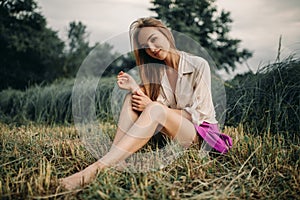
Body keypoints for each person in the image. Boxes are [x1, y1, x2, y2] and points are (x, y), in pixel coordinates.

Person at [59, 17, 232, 190]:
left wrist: (153, 106)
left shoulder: (198, 65)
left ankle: (93, 171)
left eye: (154, 39)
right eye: (145, 45)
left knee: (155, 108)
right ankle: (117, 158)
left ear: (167, 34)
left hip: (201, 136)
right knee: (132, 99)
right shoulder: (157, 72)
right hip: (172, 135)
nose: (152, 48)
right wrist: (134, 88)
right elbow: (151, 113)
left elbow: (199, 115)